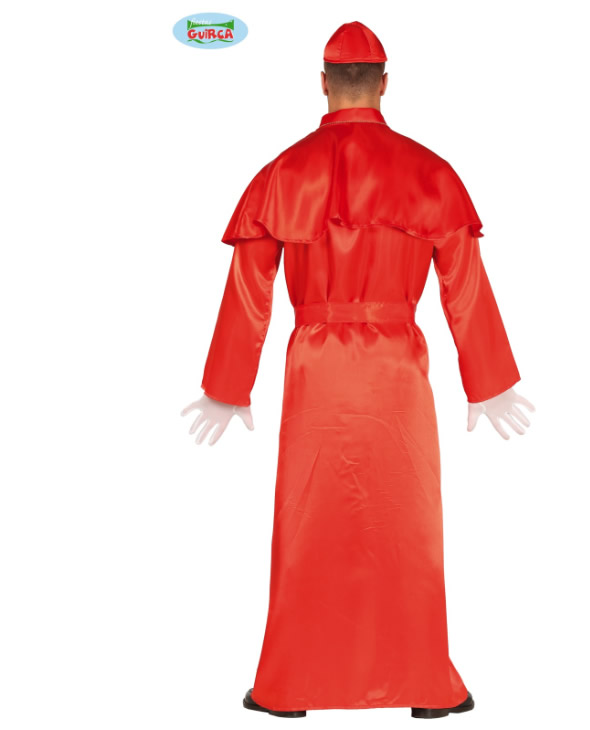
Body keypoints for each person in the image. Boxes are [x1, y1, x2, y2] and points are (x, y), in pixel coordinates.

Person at [181, 20, 535, 718]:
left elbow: (249, 288)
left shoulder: (282, 174)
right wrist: (489, 383)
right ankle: (424, 687)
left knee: (310, 522)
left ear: (322, 84)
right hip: (397, 370)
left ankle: (289, 688)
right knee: (405, 524)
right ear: (385, 84)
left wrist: (226, 388)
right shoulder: (432, 173)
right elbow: (464, 285)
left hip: (315, 369)